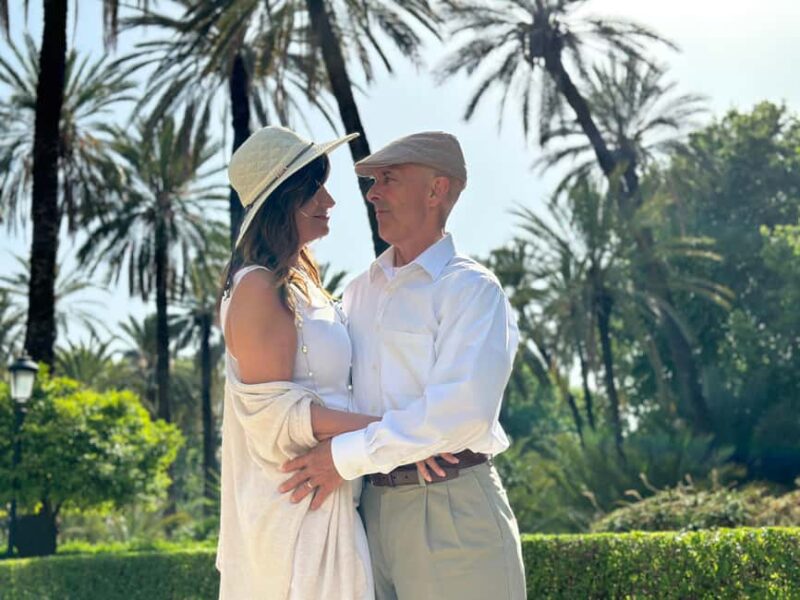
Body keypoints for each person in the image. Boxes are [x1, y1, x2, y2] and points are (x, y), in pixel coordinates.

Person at [280, 131, 527, 599]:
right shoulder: (356, 292)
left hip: (451, 510)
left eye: (388, 179)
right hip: (368, 510)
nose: (372, 193)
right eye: (373, 181)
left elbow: (459, 415)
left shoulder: (471, 291)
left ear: (437, 190)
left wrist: (343, 457)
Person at [215, 125, 380, 600]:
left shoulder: (301, 283)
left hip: (328, 506)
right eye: (315, 188)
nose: (330, 200)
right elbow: (278, 418)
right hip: (296, 523)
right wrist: (403, 430)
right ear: (285, 199)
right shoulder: (257, 288)